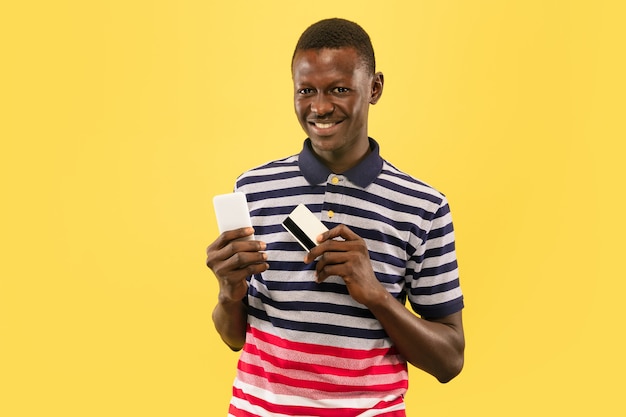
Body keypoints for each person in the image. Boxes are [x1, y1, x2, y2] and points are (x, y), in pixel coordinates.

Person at [206, 18, 465, 417]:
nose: (320, 107)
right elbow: (234, 338)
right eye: (306, 90)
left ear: (374, 88)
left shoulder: (423, 206)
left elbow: (449, 361)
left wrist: (376, 295)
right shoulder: (253, 189)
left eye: (339, 89)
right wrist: (229, 290)